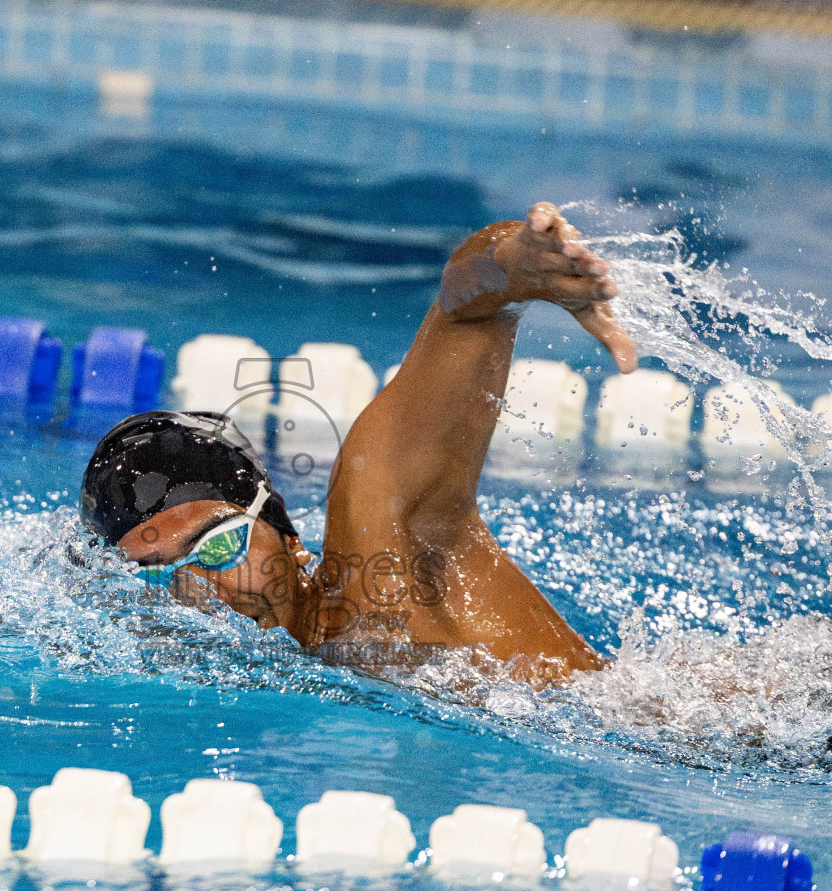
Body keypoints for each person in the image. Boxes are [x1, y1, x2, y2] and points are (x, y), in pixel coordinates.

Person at [80, 202, 638, 686]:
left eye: (221, 545)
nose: (202, 590)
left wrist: (512, 265)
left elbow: (462, 310)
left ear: (284, 532)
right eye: (158, 572)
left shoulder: (383, 564)